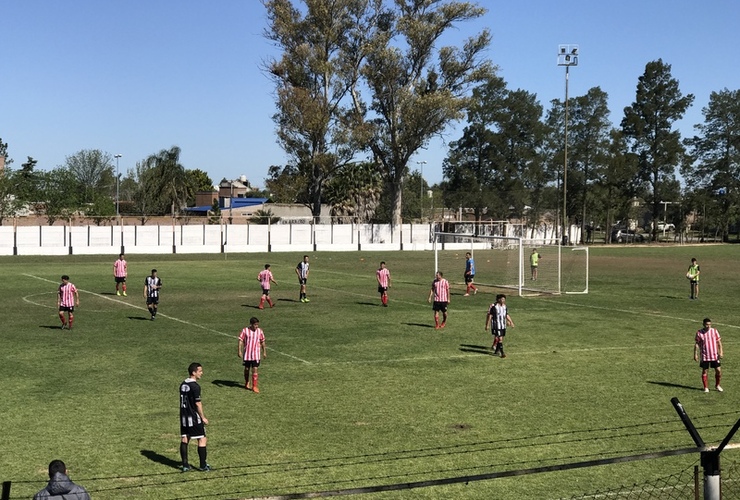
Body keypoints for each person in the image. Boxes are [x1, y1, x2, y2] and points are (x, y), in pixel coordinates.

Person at [180, 362, 210, 472]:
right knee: (202, 439)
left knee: (185, 438)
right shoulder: (195, 387)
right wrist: (203, 417)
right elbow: (198, 404)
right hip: (193, 417)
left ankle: (185, 465)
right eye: (200, 371)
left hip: (183, 416)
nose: (202, 373)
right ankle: (203, 465)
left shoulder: (183, 384)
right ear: (194, 372)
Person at [694, 318, 723, 392]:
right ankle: (706, 387)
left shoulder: (714, 331)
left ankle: (717, 385)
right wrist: (695, 354)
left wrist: (721, 352)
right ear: (703, 324)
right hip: (705, 356)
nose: (708, 326)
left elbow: (719, 342)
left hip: (714, 355)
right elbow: (697, 344)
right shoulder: (699, 333)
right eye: (707, 324)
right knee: (705, 371)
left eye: (710, 324)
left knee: (718, 370)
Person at [238, 316, 266, 393]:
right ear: (251, 324)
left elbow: (262, 341)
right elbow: (240, 340)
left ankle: (254, 386)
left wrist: (264, 352)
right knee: (247, 369)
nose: (256, 326)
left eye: (257, 324)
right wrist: (239, 351)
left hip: (256, 354)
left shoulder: (260, 331)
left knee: (255, 369)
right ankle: (247, 382)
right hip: (247, 353)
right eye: (255, 324)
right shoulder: (245, 330)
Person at [485, 294, 515, 358]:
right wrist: (487, 325)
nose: (503, 300)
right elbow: (490, 316)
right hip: (496, 325)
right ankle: (502, 353)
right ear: (498, 299)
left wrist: (511, 322)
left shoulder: (504, 306)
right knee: (500, 338)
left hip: (503, 325)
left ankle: (496, 351)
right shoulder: (494, 306)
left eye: (504, 299)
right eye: (502, 299)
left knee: (500, 338)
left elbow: (506, 315)